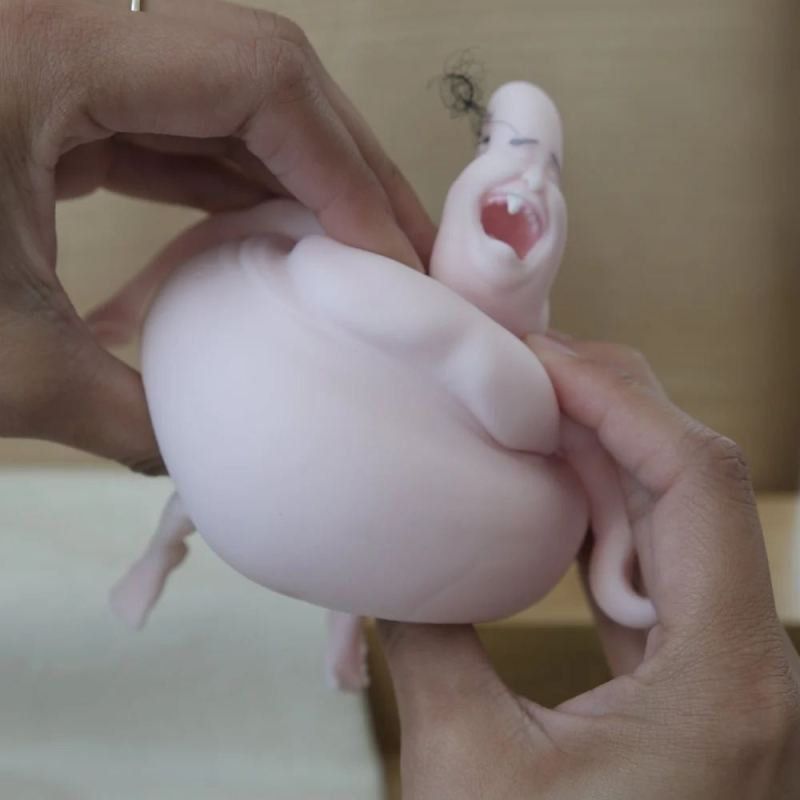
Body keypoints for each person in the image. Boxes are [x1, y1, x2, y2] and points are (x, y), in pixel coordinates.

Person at [2, 1, 798, 796]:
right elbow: (226, 244)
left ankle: (336, 637)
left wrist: (618, 563)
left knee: (347, 573)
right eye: (509, 151)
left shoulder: (531, 373)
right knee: (197, 507)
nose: (530, 179)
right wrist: (129, 305)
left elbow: (542, 425)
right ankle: (158, 559)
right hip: (258, 445)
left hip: (364, 511)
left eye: (550, 173)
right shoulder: (335, 261)